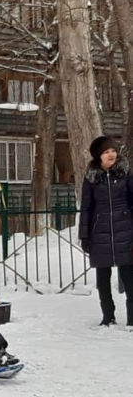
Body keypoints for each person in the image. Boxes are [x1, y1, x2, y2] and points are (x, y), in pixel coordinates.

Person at [79, 136, 133, 326]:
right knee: (103, 280)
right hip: (99, 232)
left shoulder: (125, 173)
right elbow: (86, 208)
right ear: (98, 156)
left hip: (125, 231)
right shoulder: (91, 178)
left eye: (113, 150)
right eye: (106, 151)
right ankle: (108, 316)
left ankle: (132, 319)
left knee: (129, 278)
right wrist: (84, 236)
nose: (111, 154)